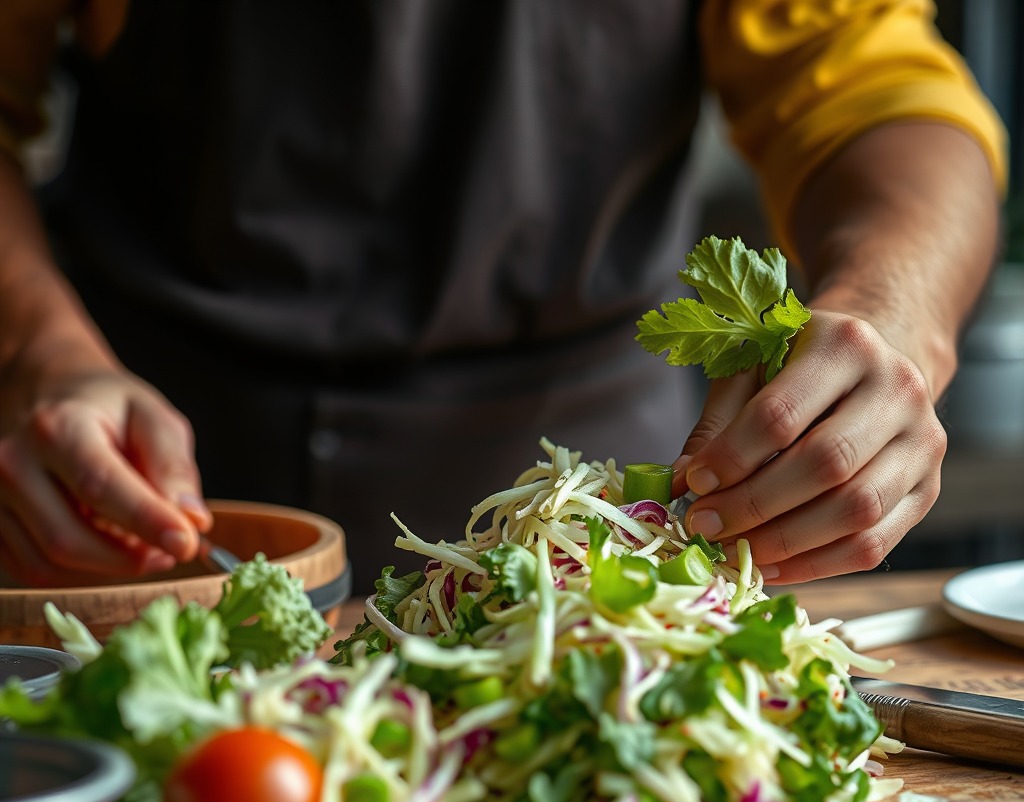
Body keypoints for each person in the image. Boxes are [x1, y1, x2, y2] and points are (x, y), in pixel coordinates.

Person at [0, 1, 1006, 593]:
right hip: (145, 498)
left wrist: (893, 313)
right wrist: (40, 351)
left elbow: (874, 91)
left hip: (597, 524)